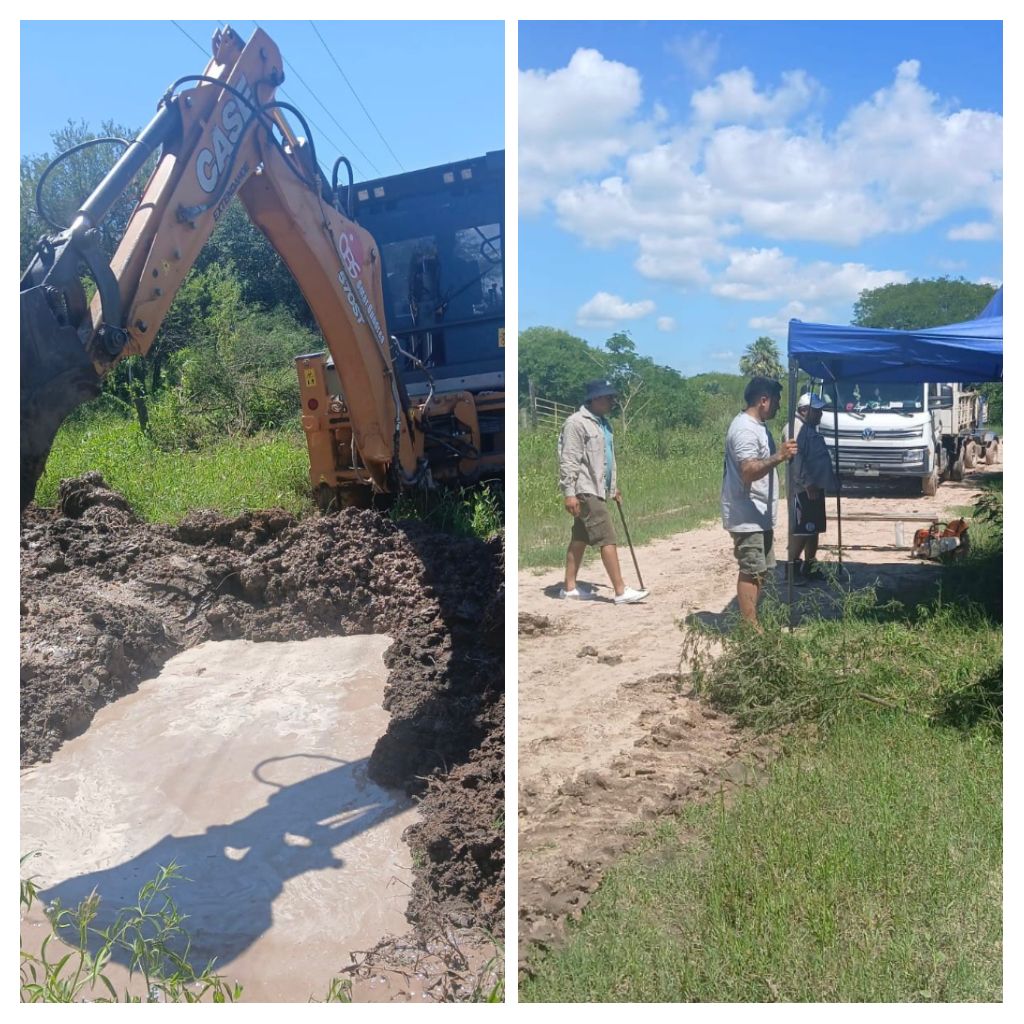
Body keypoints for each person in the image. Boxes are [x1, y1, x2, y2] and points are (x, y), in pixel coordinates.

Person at [558, 379, 649, 605]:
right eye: (608, 397)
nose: (612, 401)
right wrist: (569, 492)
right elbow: (569, 460)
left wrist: (612, 488)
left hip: (598, 489)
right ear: (595, 399)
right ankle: (620, 591)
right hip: (585, 489)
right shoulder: (576, 424)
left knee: (580, 537)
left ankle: (569, 588)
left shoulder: (604, 424)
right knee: (607, 537)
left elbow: (607, 460)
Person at [721, 377, 798, 625]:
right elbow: (748, 471)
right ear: (763, 400)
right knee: (751, 570)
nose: (777, 406)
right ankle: (750, 628)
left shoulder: (758, 426)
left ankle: (753, 619)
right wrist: (780, 456)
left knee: (761, 570)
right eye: (775, 400)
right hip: (746, 514)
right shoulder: (744, 429)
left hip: (759, 514)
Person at [785, 393, 840, 583]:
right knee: (802, 530)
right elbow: (796, 459)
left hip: (815, 487)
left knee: (813, 529)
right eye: (816, 411)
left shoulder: (808, 428)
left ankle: (810, 565)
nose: (820, 415)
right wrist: (806, 482)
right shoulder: (794, 428)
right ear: (803, 410)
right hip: (804, 489)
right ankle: (792, 568)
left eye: (820, 411)